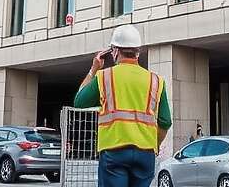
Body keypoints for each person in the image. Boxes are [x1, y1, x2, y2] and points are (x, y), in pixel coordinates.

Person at [73, 25, 172, 187]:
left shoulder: (104, 76)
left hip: (114, 152)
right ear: (137, 52)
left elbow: (79, 101)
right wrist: (155, 145)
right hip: (145, 153)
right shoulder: (156, 80)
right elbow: (165, 122)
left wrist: (94, 68)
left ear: (115, 51)